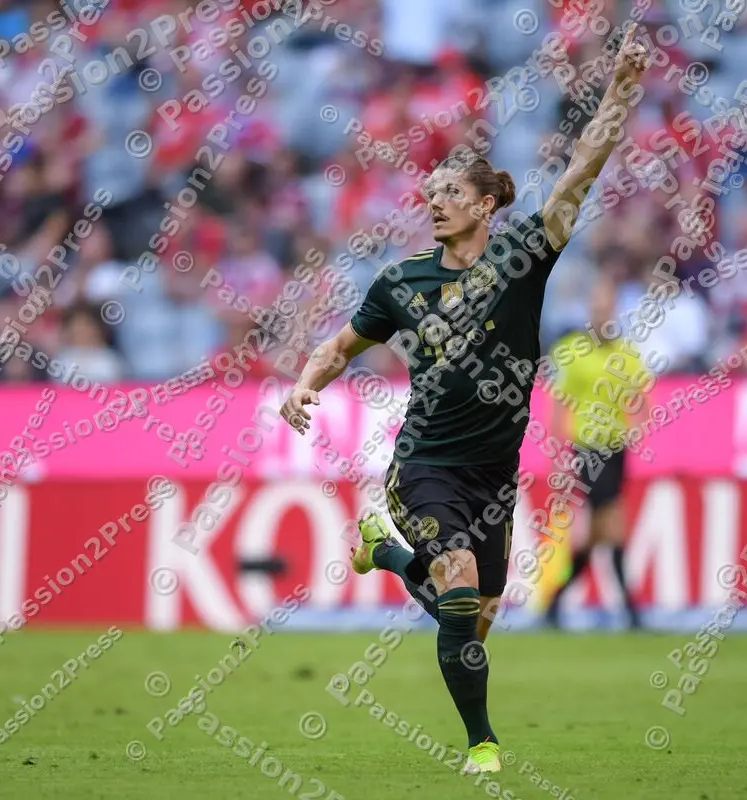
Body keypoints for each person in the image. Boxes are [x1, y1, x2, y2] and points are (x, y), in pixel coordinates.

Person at [279, 25, 651, 776]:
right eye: (432, 193)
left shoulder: (522, 258)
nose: (436, 201)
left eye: (453, 192)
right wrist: (306, 384)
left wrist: (619, 91)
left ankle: (386, 552)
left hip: (494, 477)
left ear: (488, 204)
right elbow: (342, 344)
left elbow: (581, 169)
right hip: (426, 464)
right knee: (456, 586)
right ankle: (483, 743)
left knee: (474, 616)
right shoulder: (399, 282)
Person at [543, 277, 649, 630]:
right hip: (587, 448)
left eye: (607, 308)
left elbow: (641, 398)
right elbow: (560, 401)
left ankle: (556, 602)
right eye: (597, 308)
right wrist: (559, 446)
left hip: (617, 448)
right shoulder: (573, 351)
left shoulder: (627, 355)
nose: (602, 314)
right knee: (614, 524)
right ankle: (631, 611)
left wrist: (639, 426)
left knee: (598, 532)